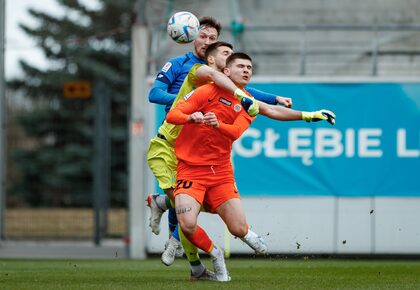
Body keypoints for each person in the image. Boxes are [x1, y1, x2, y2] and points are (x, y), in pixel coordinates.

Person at [148, 16, 293, 264]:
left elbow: (242, 91)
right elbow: (154, 93)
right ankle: (174, 236)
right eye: (202, 36)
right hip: (178, 135)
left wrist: (273, 98)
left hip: (201, 141)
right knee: (181, 196)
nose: (206, 41)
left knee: (187, 198)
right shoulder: (181, 65)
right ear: (193, 37)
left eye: (212, 38)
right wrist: (185, 102)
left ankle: (171, 227)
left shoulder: (221, 72)